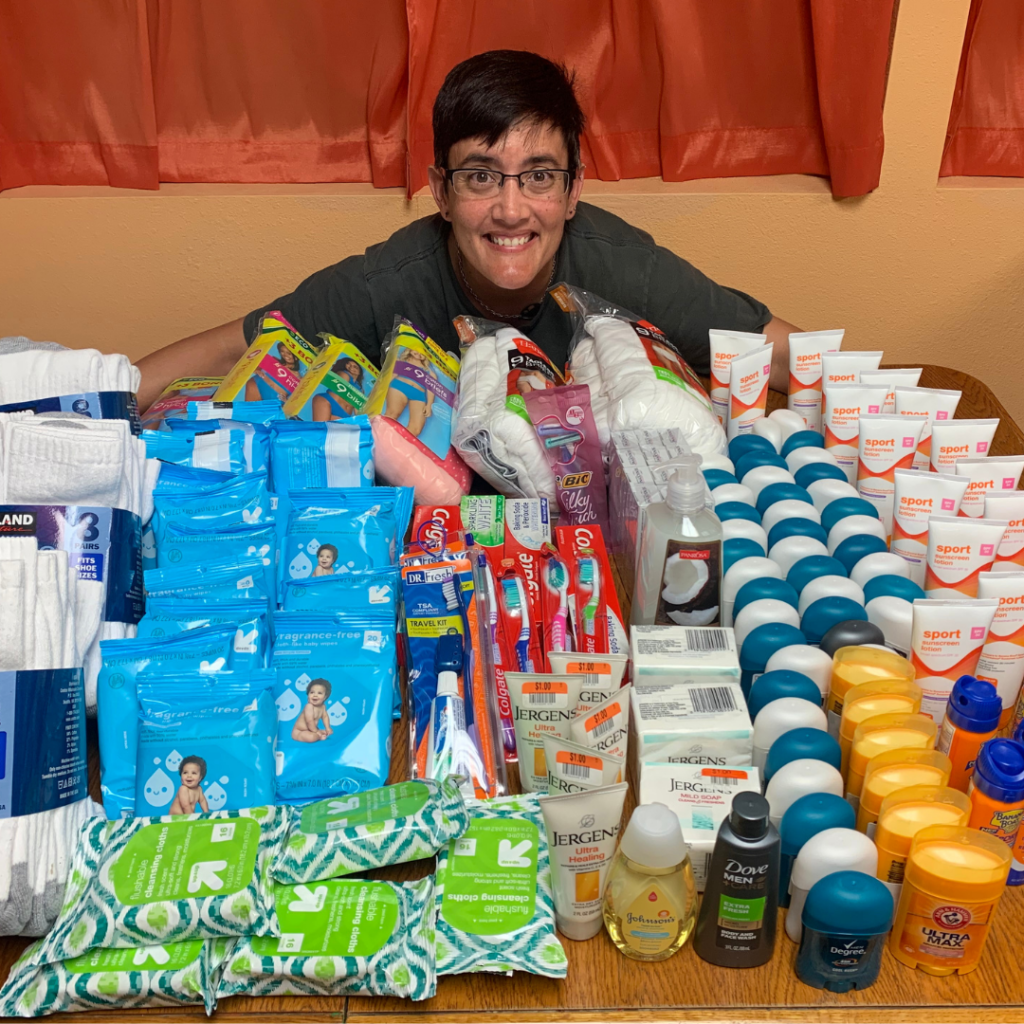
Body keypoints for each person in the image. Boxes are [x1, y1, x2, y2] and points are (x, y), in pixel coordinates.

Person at [136, 50, 798, 414]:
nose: (511, 211)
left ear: (574, 192)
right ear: (439, 192)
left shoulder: (624, 268)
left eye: (538, 176)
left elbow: (778, 353)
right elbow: (238, 349)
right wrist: (95, 403)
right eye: (481, 177)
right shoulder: (388, 282)